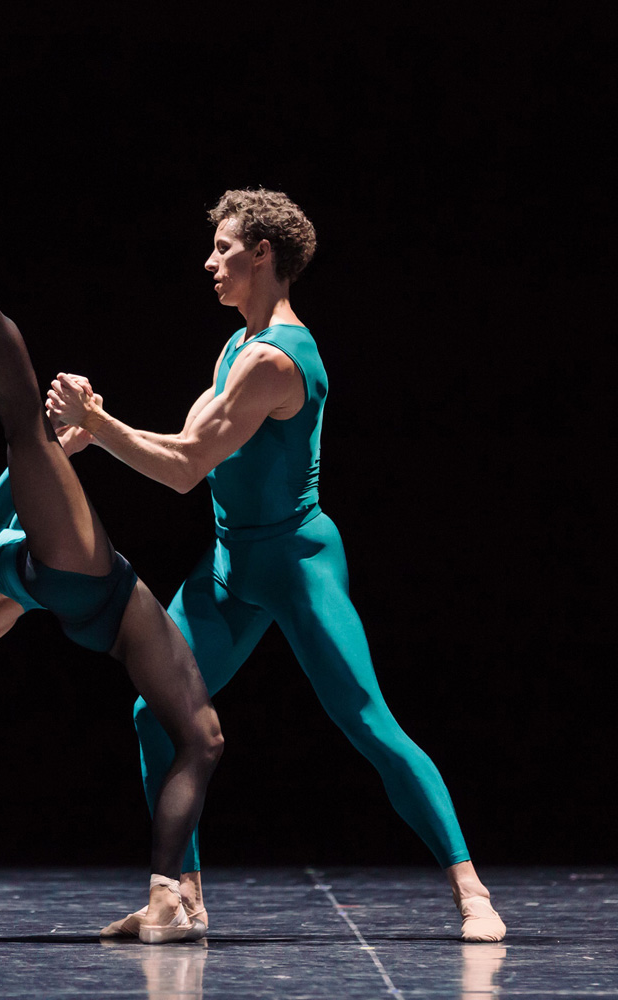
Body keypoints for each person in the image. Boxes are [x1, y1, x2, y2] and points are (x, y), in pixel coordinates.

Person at [46, 188, 507, 943]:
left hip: (296, 564)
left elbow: (186, 468)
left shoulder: (272, 358)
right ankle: (182, 900)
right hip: (232, 565)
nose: (210, 260)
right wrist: (101, 430)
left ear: (264, 254)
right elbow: (183, 443)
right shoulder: (236, 344)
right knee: (155, 713)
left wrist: (98, 426)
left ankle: (471, 891)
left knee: (367, 722)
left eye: (224, 248)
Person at [0, 158, 224, 944]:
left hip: (100, 601)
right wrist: (56, 449)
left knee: (203, 736)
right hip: (79, 581)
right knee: (19, 416)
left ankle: (173, 899)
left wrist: (57, 456)